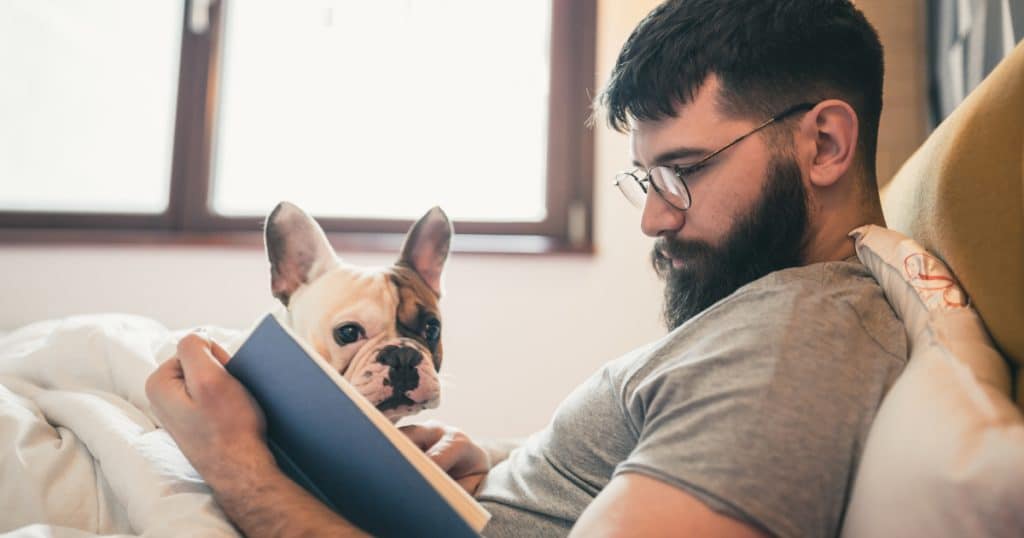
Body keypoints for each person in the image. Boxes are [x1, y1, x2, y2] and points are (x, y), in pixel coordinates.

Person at [145, 1, 910, 536]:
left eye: (684, 170)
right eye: (647, 180)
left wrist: (234, 464)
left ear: (824, 146)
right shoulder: (761, 318)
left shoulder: (790, 347)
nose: (652, 217)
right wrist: (499, 460)